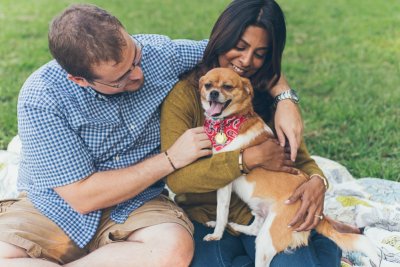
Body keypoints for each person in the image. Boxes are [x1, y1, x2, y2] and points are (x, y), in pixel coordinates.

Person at [0, 3, 302, 267]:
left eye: (135, 57)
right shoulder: (42, 98)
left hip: (137, 203)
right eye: (122, 77)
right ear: (79, 79)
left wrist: (285, 98)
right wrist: (170, 159)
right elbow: (82, 197)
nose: (138, 74)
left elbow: (237, 60)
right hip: (54, 207)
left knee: (174, 249)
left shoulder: (158, 54)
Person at [161, 0, 343, 266]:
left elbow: (297, 159)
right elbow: (178, 180)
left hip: (269, 213)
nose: (246, 61)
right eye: (240, 46)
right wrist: (245, 160)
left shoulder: (261, 91)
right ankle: (326, 248)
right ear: (222, 38)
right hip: (208, 217)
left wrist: (318, 181)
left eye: (260, 53)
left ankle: (322, 245)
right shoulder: (184, 97)